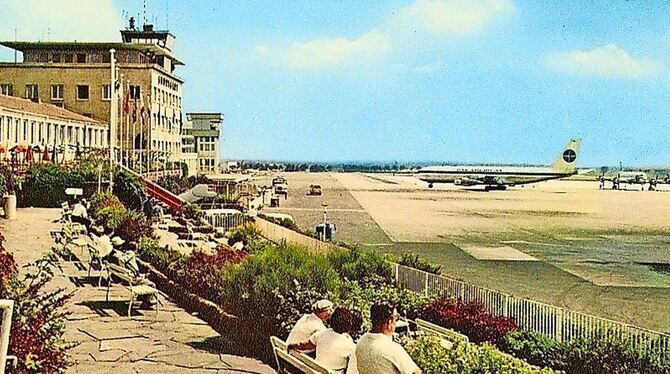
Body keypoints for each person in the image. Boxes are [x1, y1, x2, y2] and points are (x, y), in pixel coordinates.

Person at [355, 301, 421, 374]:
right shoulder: (392, 349)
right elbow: (415, 372)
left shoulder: (361, 341)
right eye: (396, 318)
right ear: (389, 322)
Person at [288, 307, 358, 373]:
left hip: (315, 371)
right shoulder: (350, 346)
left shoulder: (321, 334)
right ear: (349, 325)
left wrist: (292, 345)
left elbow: (303, 345)